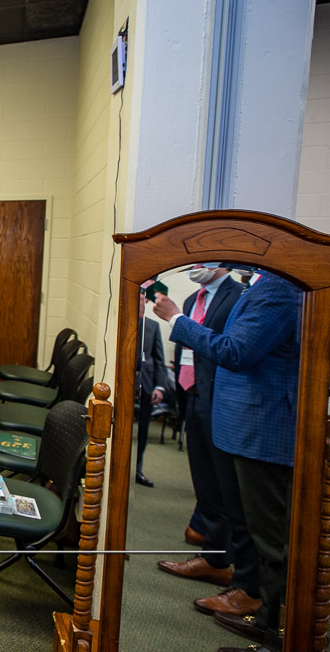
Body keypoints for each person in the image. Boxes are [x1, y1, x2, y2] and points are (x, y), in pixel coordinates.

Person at [154, 270, 301, 652]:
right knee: (252, 523)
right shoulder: (259, 287)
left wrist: (176, 321)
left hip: (263, 427)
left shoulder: (280, 289)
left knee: (271, 538)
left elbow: (236, 352)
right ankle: (266, 621)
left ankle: (277, 629)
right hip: (238, 420)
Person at [155, 265, 259, 621]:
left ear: (226, 264)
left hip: (222, 401)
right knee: (207, 486)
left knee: (233, 494)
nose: (196, 269)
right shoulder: (189, 298)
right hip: (193, 396)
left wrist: (177, 319)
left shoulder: (238, 298)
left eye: (206, 262)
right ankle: (214, 560)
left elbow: (229, 350)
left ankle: (244, 580)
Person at [134, 290, 167, 487]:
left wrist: (160, 386)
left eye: (142, 300)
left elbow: (159, 359)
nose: (139, 303)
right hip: (126, 385)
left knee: (143, 430)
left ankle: (138, 469)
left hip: (146, 385)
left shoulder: (153, 326)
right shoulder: (123, 322)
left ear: (146, 302)